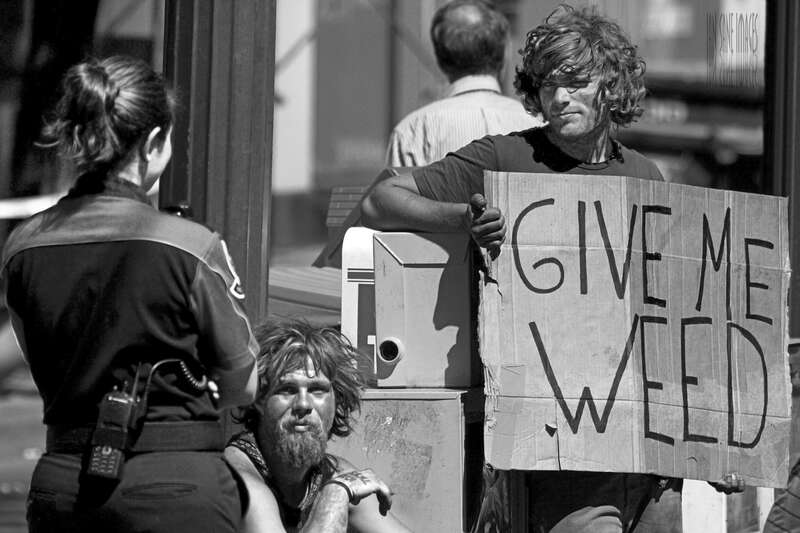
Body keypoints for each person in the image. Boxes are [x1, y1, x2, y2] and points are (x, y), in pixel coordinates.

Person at [363, 5, 668, 532]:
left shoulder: (645, 176)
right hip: (556, 442)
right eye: (547, 85)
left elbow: (671, 307)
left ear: (611, 85)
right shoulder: (505, 158)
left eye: (575, 82)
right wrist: (462, 217)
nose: (559, 97)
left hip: (644, 452)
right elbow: (379, 200)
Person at [1, 56, 259, 533]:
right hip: (178, 488)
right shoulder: (190, 245)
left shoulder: (23, 247)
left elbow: (39, 362)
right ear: (155, 142)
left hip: (63, 485)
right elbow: (243, 381)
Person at [225, 318, 411, 533]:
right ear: (259, 400)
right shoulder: (238, 478)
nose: (303, 404)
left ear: (337, 400)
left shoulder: (331, 473)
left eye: (317, 390)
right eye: (287, 390)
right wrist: (335, 495)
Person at [385, 0, 540, 168]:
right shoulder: (538, 125)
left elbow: (391, 191)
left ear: (440, 59)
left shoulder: (413, 132)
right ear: (505, 54)